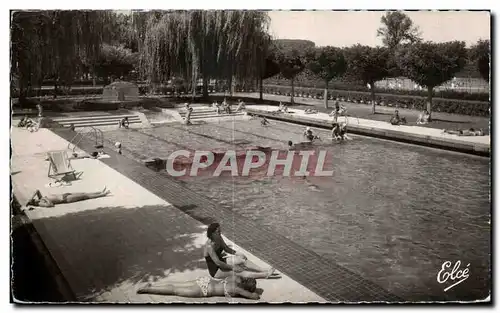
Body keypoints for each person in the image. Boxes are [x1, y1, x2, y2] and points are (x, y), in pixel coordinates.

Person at [204, 223, 280, 279]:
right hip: (216, 270)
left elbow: (226, 248)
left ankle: (262, 269)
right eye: (218, 232)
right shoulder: (209, 246)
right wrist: (232, 267)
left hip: (222, 261)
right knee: (240, 272)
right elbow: (218, 263)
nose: (220, 233)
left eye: (220, 231)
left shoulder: (219, 238)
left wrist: (237, 253)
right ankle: (265, 275)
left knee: (243, 260)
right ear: (212, 234)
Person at [137, 276, 261, 300]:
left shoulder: (235, 279)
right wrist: (252, 291)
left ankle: (151, 286)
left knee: (176, 285)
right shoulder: (237, 289)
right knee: (175, 290)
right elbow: (254, 297)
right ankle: (148, 289)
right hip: (204, 290)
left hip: (205, 280)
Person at [26, 187, 111, 208]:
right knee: (85, 196)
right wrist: (45, 199)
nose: (34, 199)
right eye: (32, 200)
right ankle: (103, 194)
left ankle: (100, 191)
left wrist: (31, 197)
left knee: (83, 193)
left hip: (65, 194)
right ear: (33, 203)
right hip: (65, 199)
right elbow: (50, 205)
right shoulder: (41, 203)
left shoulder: (39, 199)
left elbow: (37, 190)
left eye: (33, 198)